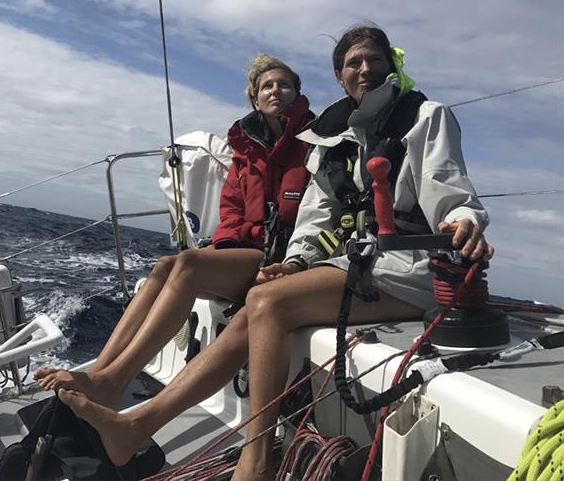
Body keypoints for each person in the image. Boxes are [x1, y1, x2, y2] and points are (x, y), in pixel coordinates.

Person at [57, 25, 494, 481]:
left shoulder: (425, 117)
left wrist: (462, 220)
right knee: (253, 308)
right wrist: (294, 261)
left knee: (266, 301)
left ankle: (257, 460)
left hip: (413, 265)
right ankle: (136, 425)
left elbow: (450, 189)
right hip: (354, 263)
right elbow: (316, 214)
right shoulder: (332, 135)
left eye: (375, 60)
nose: (365, 69)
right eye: (353, 63)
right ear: (340, 77)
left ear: (391, 65)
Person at [34, 53, 314, 411]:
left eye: (284, 84)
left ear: (297, 93)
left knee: (190, 265)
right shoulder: (246, 148)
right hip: (244, 247)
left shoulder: (314, 143)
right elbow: (229, 206)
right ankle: (101, 370)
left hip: (282, 255)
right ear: (254, 98)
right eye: (267, 86)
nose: (276, 90)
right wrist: (230, 243)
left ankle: (112, 382)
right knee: (168, 264)